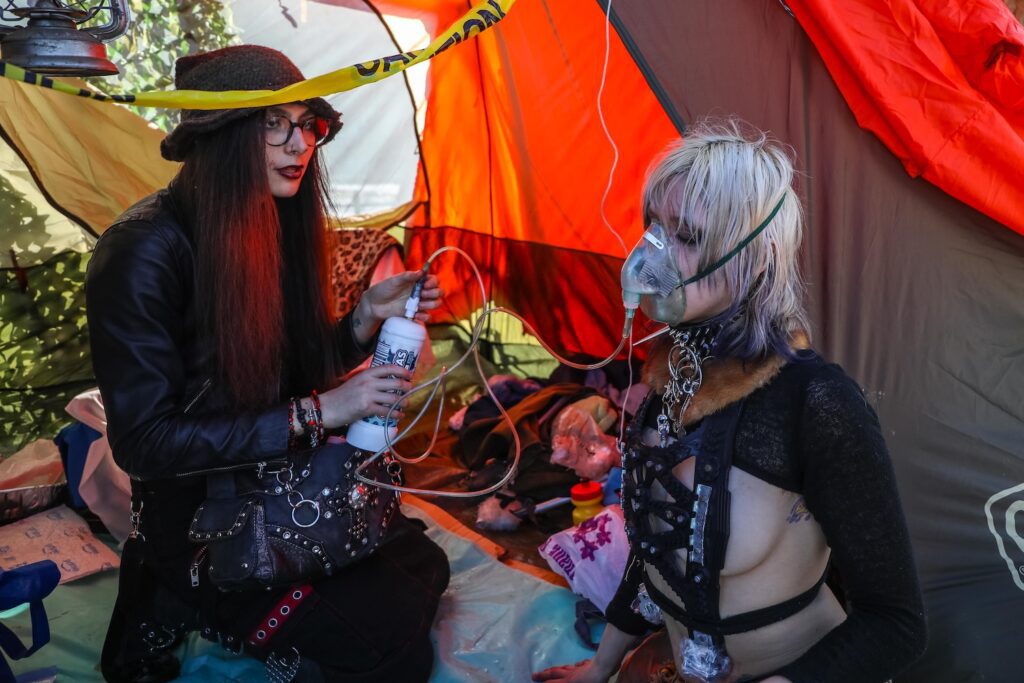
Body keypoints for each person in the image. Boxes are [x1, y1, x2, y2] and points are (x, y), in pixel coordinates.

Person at [86, 45, 450, 683]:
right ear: (220, 134)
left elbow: (290, 369)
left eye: (307, 123)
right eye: (273, 125)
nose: (300, 143)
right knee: (391, 653)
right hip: (203, 519)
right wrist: (322, 411)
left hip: (279, 484)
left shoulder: (268, 220)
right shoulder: (141, 251)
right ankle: (175, 587)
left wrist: (363, 319)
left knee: (424, 566)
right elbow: (145, 445)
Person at [533, 120, 927, 682]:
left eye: (687, 236)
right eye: (654, 228)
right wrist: (600, 669)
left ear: (756, 255)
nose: (653, 254)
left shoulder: (815, 403)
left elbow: (897, 624)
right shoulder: (663, 383)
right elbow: (654, 557)